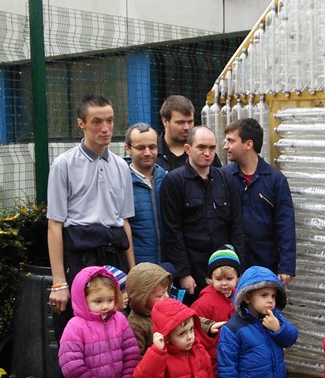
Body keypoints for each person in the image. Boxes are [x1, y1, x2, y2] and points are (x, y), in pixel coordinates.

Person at [47, 93, 135, 315]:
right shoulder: (63, 165)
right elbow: (54, 225)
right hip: (81, 257)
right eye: (96, 122)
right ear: (81, 124)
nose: (105, 128)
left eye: (110, 120)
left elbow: (124, 221)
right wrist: (59, 282)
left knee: (117, 324)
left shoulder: (122, 166)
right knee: (82, 326)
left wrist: (132, 273)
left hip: (115, 256)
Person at [160, 125, 245, 304]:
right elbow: (172, 231)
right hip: (193, 269)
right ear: (188, 149)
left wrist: (237, 269)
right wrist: (183, 273)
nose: (207, 153)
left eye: (212, 148)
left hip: (224, 269)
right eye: (201, 147)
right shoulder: (174, 181)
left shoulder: (225, 179)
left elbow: (236, 225)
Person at [223, 118, 296, 286]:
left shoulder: (275, 180)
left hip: (265, 263)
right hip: (232, 265)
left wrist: (286, 266)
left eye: (231, 141)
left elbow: (285, 225)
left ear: (248, 144)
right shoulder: (224, 177)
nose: (226, 146)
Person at [191, 245, 242, 378]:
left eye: (229, 278)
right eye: (218, 278)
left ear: (237, 278)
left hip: (230, 360)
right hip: (213, 363)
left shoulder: (237, 299)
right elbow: (195, 329)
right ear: (210, 278)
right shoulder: (204, 302)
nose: (224, 283)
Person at [124, 122, 168, 266]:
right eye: (140, 148)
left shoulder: (167, 179)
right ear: (128, 149)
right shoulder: (121, 182)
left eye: (152, 147)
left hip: (166, 268)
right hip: (137, 269)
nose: (147, 153)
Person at [156, 95, 222, 171]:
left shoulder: (206, 152)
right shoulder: (153, 153)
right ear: (165, 121)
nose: (186, 127)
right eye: (180, 122)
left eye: (190, 122)